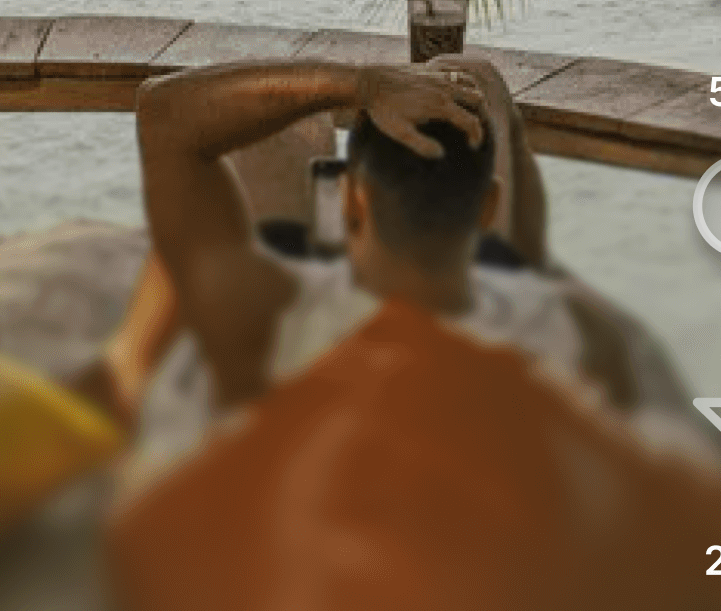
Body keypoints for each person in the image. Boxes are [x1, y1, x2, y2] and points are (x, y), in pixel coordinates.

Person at [87, 50, 675, 446]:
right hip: (489, 318)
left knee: (284, 138)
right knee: (472, 77)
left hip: (325, 342)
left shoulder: (262, 319)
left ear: (349, 202)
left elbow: (163, 112)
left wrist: (363, 86)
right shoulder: (573, 338)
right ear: (488, 207)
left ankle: (128, 370)